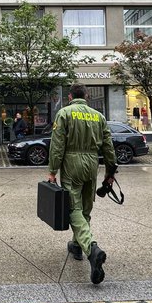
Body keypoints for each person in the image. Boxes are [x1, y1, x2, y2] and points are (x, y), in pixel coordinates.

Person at [47, 83, 117, 285]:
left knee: (73, 207)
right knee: (86, 206)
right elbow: (108, 146)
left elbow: (57, 145)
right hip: (92, 163)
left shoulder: (64, 113)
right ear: (86, 96)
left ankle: (90, 247)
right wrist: (110, 172)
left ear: (70, 97)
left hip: (72, 162)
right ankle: (76, 245)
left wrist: (53, 171)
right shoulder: (98, 116)